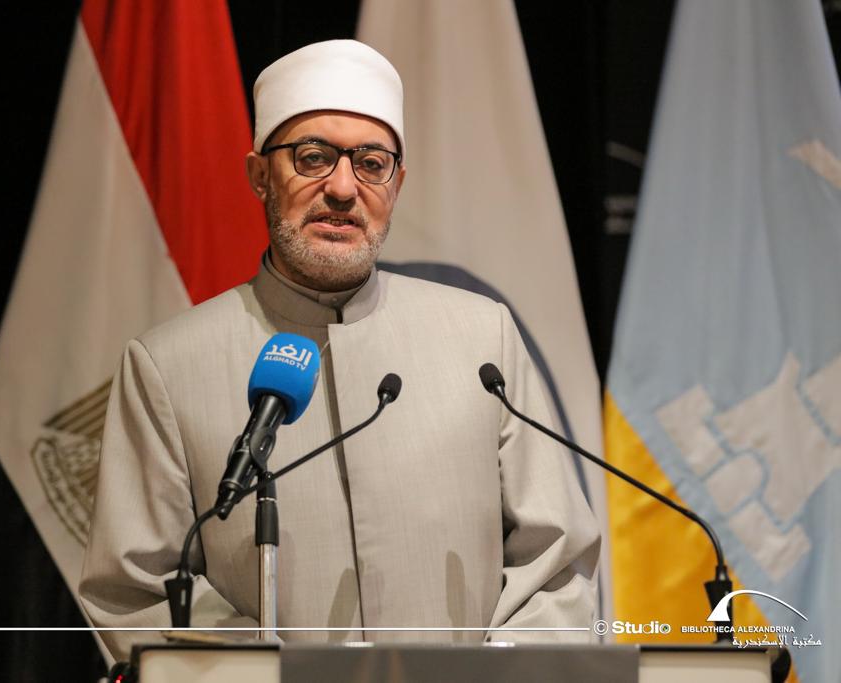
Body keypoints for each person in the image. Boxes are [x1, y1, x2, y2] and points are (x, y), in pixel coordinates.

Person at [79, 39, 600, 662]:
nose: (344, 188)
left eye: (372, 163)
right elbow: (135, 591)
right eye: (314, 158)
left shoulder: (483, 339)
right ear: (260, 176)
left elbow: (557, 563)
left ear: (397, 183)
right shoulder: (167, 366)